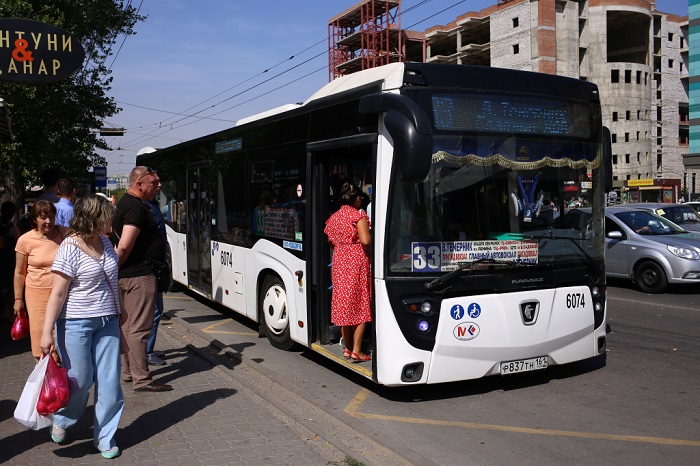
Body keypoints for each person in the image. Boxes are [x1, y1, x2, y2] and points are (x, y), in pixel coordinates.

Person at [39, 195, 123, 459]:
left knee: (109, 383)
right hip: (76, 323)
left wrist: (120, 311)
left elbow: (112, 279)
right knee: (81, 380)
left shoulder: (107, 242)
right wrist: (46, 332)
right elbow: (58, 294)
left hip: (107, 320)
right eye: (108, 215)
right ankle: (63, 419)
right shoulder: (69, 248)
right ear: (93, 218)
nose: (112, 219)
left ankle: (105, 438)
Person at [113, 166, 172, 392]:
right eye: (154, 182)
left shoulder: (126, 203)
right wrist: (112, 270)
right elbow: (125, 245)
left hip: (129, 274)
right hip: (139, 276)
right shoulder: (136, 208)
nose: (158, 185)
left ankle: (129, 372)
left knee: (128, 326)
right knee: (139, 328)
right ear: (139, 184)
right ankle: (142, 378)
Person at [324, 182, 372, 363]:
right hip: (356, 260)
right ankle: (357, 351)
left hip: (339, 260)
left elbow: (330, 241)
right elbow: (366, 241)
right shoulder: (357, 215)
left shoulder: (334, 217)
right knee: (361, 304)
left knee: (345, 303)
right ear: (357, 199)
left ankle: (348, 348)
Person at [14, 200, 67, 360]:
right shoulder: (25, 240)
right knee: (39, 336)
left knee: (60, 336)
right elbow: (19, 273)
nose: (48, 222)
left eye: (51, 217)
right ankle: (45, 374)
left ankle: (60, 374)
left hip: (63, 293)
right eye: (43, 217)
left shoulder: (65, 234)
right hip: (36, 294)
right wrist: (18, 299)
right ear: (34, 219)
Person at [146, 171, 167, 366]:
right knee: (153, 311)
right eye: (155, 181)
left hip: (155, 266)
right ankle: (146, 351)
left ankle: (148, 349)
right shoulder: (145, 207)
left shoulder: (152, 205)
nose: (159, 185)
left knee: (156, 310)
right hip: (149, 268)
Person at [1, 201, 21, 321]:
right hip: (10, 259)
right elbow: (20, 243)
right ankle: (11, 313)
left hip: (1, 259)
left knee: (4, 286)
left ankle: (5, 311)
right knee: (11, 287)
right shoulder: (12, 228)